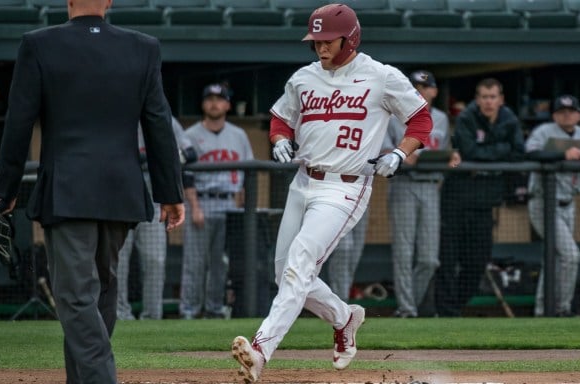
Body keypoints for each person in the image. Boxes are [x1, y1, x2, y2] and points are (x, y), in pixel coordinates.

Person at [230, 4, 432, 383]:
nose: (320, 48)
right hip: (303, 180)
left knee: (300, 263)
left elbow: (421, 119)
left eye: (327, 41)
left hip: (345, 187)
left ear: (349, 38)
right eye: (316, 41)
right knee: (284, 271)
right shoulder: (304, 78)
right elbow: (280, 119)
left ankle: (260, 350)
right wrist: (278, 140)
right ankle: (344, 317)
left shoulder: (381, 76)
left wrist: (399, 153)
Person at [0, 0, 185, 381]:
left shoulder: (38, 44)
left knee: (77, 296)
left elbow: (18, 122)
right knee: (101, 292)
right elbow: (159, 123)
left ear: (68, 1)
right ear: (109, 2)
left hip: (67, 189)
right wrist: (170, 192)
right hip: (121, 188)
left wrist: (6, 188)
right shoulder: (143, 46)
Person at [434, 77, 525, 317]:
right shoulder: (466, 118)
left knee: (478, 261)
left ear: (501, 99)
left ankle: (457, 305)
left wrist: (494, 153)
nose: (488, 102)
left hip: (485, 201)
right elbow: (470, 151)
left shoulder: (509, 119)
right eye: (484, 97)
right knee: (448, 258)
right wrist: (501, 150)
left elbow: (518, 152)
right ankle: (446, 312)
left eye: (493, 97)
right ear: (477, 99)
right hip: (456, 199)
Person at [525, 95, 580, 317]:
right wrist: (562, 154)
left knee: (555, 258)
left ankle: (542, 310)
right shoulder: (544, 131)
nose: (567, 115)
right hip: (543, 202)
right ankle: (561, 310)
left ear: (579, 114)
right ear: (554, 115)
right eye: (562, 111)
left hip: (568, 204)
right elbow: (530, 152)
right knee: (570, 255)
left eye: (571, 111)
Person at [383, 70, 455, 318]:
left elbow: (446, 153)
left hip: (430, 186)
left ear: (434, 91)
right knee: (403, 252)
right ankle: (407, 309)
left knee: (429, 259)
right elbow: (381, 150)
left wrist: (451, 160)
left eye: (425, 87)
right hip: (404, 184)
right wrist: (401, 153)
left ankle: (408, 302)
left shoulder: (442, 119)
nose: (420, 91)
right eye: (415, 87)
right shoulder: (393, 117)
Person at [179, 83, 254, 320]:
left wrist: (242, 205)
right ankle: (189, 311)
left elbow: (247, 175)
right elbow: (186, 175)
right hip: (201, 202)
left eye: (219, 99)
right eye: (209, 98)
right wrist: (194, 207)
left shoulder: (239, 135)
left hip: (229, 205)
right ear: (203, 104)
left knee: (221, 265)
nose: (214, 103)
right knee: (195, 263)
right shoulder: (190, 135)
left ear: (228, 105)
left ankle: (214, 309)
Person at [116, 117, 196, 320]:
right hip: (119, 200)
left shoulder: (162, 116)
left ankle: (152, 316)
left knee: (155, 261)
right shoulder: (117, 109)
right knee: (117, 262)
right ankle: (120, 315)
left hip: (153, 200)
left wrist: (157, 158)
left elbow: (190, 153)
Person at [325, 208, 370, 302]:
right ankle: (340, 302)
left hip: (362, 203)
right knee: (344, 248)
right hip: (341, 202)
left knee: (355, 256)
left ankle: (342, 301)